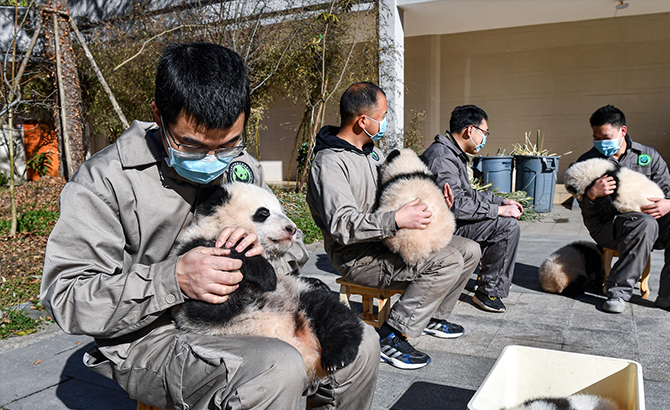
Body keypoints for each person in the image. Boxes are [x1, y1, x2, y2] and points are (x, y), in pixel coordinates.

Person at [40, 42, 380, 410]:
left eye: (229, 143)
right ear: (159, 114)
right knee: (277, 368)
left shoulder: (244, 166)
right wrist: (172, 279)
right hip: (153, 335)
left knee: (362, 343)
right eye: (192, 146)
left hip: (256, 308)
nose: (213, 160)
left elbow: (292, 253)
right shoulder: (104, 181)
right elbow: (68, 297)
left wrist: (262, 257)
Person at [307, 82, 481, 370]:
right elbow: (341, 225)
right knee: (447, 260)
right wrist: (396, 219)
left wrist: (436, 203)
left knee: (469, 249)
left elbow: (397, 194)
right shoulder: (330, 164)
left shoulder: (371, 155)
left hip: (389, 241)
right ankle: (392, 334)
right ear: (363, 121)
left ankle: (431, 316)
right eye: (383, 114)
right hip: (359, 257)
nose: (386, 121)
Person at [421, 105, 522, 313]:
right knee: (506, 226)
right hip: (440, 228)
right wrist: (498, 212)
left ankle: (489, 283)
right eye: (484, 133)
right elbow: (457, 205)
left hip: (449, 223)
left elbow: (470, 194)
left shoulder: (451, 154)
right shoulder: (442, 157)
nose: (485, 138)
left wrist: (500, 202)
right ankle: (488, 291)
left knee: (504, 221)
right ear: (470, 131)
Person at [574, 104, 670, 313]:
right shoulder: (587, 162)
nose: (600, 142)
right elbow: (586, 210)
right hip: (609, 227)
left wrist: (668, 203)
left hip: (651, 222)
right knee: (644, 223)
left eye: (605, 137)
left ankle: (667, 296)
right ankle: (617, 292)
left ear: (622, 131)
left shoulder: (649, 156)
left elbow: (667, 191)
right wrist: (591, 195)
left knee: (652, 221)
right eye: (596, 137)